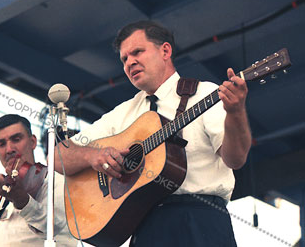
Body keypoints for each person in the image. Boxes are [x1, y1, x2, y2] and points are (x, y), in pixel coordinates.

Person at [54, 20, 252, 246]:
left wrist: (236, 112)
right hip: (145, 226)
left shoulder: (204, 94)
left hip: (200, 221)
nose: (130, 62)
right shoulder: (123, 114)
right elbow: (58, 154)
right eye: (124, 59)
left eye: (137, 52)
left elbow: (236, 159)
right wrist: (91, 156)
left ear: (165, 50)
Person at [0, 114, 76, 247]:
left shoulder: (56, 179)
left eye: (16, 139)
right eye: (1, 144)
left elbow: (60, 230)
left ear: (32, 142)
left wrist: (23, 201)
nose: (9, 149)